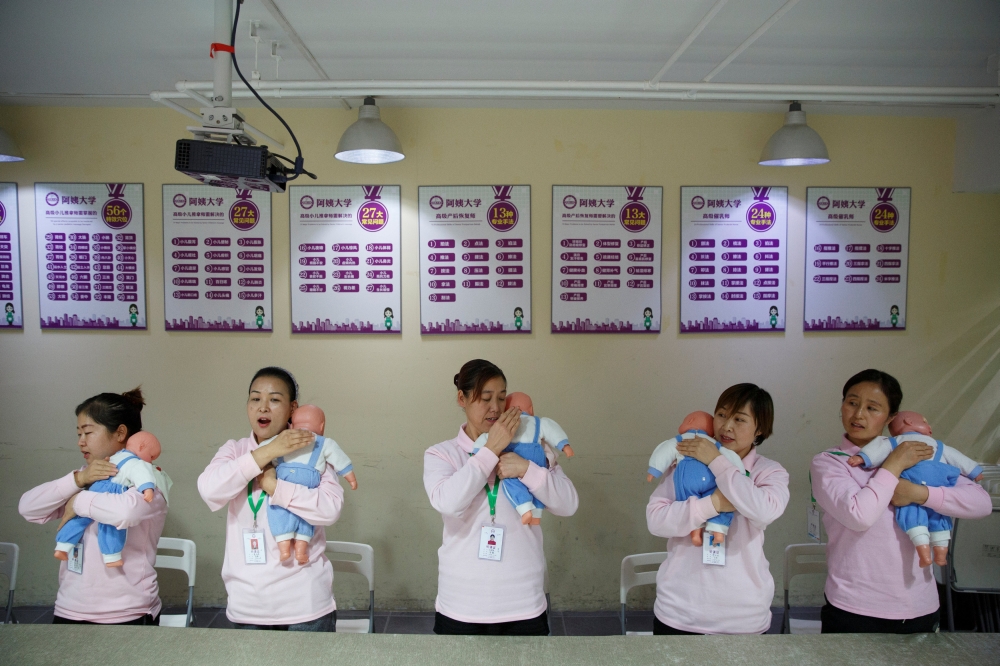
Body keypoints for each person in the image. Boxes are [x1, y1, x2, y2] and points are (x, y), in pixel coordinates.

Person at [811, 369, 992, 633]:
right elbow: (859, 516)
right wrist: (893, 465)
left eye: (873, 408)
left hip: (918, 605)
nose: (858, 414)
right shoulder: (831, 462)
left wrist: (919, 494)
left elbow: (981, 503)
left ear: (891, 417)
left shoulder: (918, 453)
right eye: (852, 403)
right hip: (853, 606)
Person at [424, 359, 579, 635]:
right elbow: (447, 502)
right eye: (485, 398)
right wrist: (490, 450)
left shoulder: (532, 450)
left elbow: (568, 504)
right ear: (462, 398)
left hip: (523, 602)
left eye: (501, 397)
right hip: (461, 604)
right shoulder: (441, 453)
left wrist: (527, 470)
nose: (495, 408)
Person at [197, 367, 343, 631]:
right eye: (255, 399)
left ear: (292, 408)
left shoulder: (313, 450)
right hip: (247, 606)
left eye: (274, 399)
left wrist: (276, 488)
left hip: (305, 606)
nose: (263, 407)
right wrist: (268, 452)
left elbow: (330, 509)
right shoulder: (235, 450)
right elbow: (210, 491)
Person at [646, 384, 788, 635]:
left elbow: (765, 511)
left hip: (743, 616)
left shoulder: (769, 471)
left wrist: (716, 461)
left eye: (739, 419)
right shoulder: (686, 462)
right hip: (679, 611)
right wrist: (712, 505)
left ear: (760, 429)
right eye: (721, 415)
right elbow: (656, 521)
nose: (726, 426)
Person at [18, 388, 167, 624]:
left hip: (127, 611)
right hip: (69, 607)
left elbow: (125, 511)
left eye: (88, 432)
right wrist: (77, 480)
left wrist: (77, 501)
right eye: (78, 434)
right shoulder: (85, 478)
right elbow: (28, 508)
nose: (81, 442)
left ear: (120, 433)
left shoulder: (148, 479)